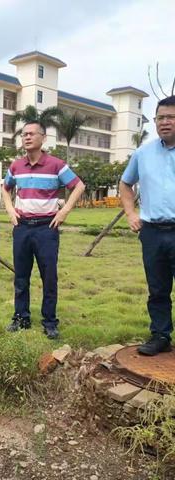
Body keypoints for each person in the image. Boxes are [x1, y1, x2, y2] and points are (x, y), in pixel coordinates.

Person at [2, 122, 85, 339]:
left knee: (49, 276)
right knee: (21, 276)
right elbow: (5, 188)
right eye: (24, 134)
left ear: (43, 138)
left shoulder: (56, 165)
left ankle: (50, 321)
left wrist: (64, 211)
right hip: (22, 227)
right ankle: (21, 318)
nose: (27, 137)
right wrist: (10, 209)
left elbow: (79, 186)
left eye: (31, 134)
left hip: (46, 228)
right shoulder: (16, 166)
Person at [120, 95, 175, 356]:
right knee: (157, 288)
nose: (165, 122)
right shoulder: (143, 153)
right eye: (160, 118)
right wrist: (131, 213)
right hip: (152, 232)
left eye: (171, 117)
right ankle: (160, 335)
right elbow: (125, 183)